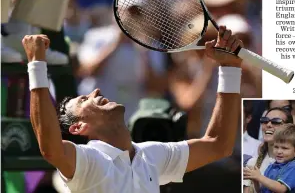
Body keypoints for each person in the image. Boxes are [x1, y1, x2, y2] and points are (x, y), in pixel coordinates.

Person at [22, 26, 242, 193]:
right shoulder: (87, 160)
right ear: (79, 127)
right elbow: (50, 148)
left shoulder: (152, 155)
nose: (95, 91)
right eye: (83, 99)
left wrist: (229, 68)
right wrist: (36, 65)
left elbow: (218, 145)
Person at [243, 107, 294, 193]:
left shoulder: (292, 166)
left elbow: (281, 188)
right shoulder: (253, 163)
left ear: (288, 127)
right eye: (264, 120)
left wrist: (259, 177)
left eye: (276, 121)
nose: (269, 124)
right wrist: (256, 180)